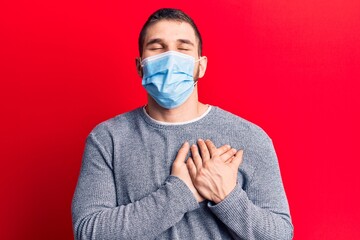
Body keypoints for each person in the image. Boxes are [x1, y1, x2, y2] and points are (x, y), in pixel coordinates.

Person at [72, 8, 293, 240]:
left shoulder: (250, 138)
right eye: (157, 47)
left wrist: (227, 196)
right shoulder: (108, 139)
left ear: (201, 65)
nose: (170, 59)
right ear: (140, 66)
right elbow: (88, 232)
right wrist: (179, 193)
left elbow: (280, 235)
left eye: (183, 48)